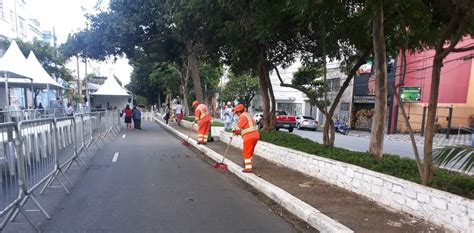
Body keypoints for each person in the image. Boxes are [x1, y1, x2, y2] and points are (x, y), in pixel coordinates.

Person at [232, 104, 259, 173]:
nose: (236, 114)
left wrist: (234, 130)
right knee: (250, 151)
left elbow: (238, 127)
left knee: (246, 152)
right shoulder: (248, 115)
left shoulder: (243, 116)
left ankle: (248, 168)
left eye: (236, 113)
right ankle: (247, 163)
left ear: (239, 112)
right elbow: (246, 128)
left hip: (249, 137)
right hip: (255, 136)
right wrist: (238, 132)